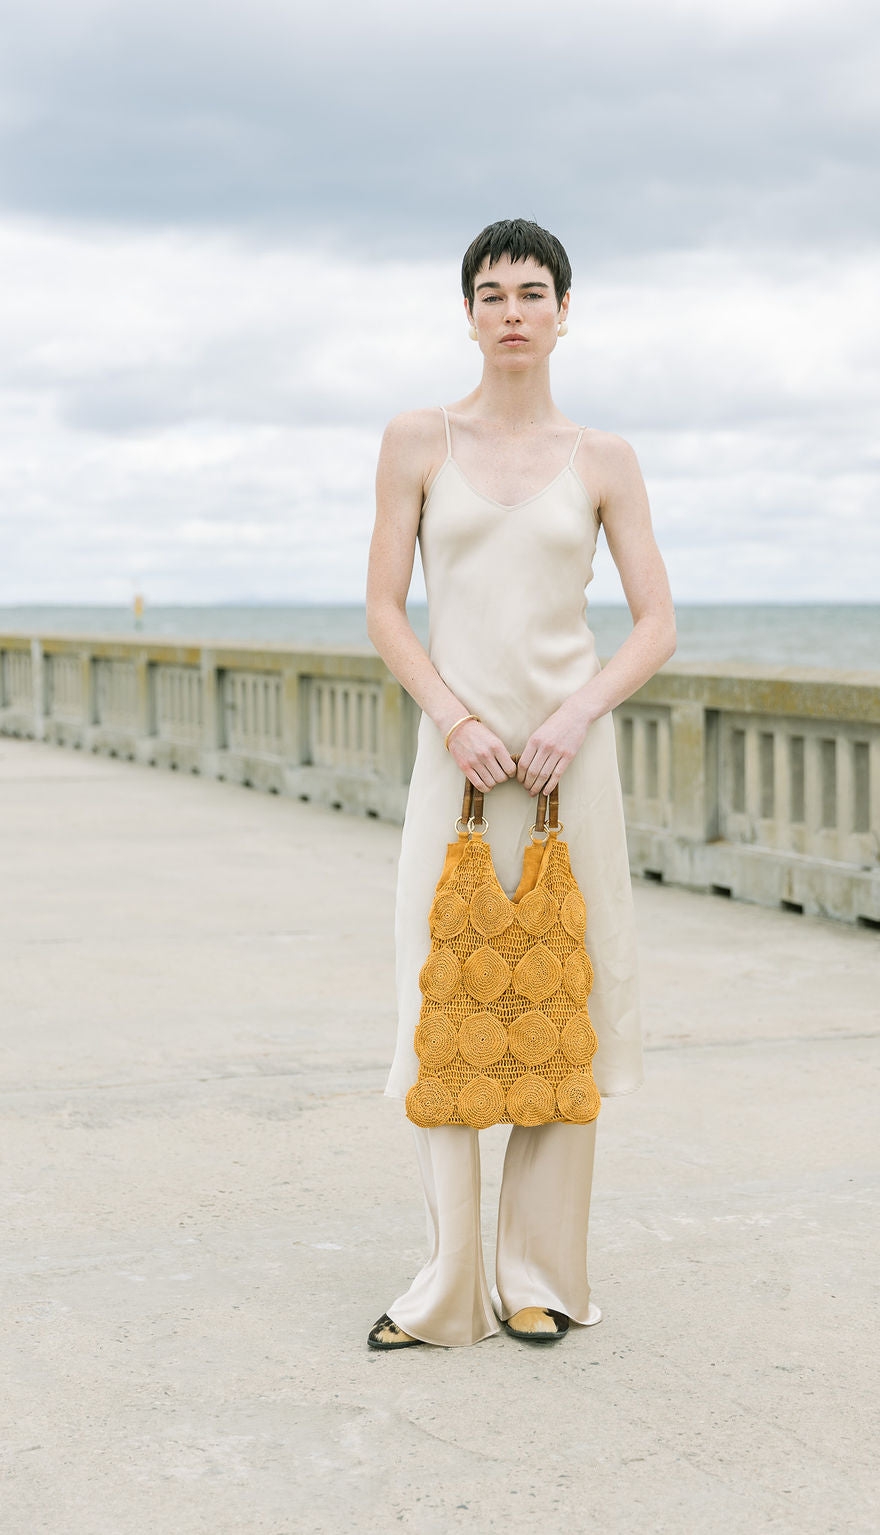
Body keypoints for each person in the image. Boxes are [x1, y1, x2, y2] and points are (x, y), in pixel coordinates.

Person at [364, 218, 676, 1349]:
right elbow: (384, 608)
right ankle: (447, 1289)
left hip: (564, 768)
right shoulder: (415, 440)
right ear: (466, 312)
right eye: (490, 292)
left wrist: (573, 714)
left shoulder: (603, 458)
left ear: (561, 311)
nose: (510, 310)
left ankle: (539, 1274)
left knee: (561, 1009)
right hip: (452, 767)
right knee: (441, 1004)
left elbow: (655, 622)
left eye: (530, 291)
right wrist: (451, 717)